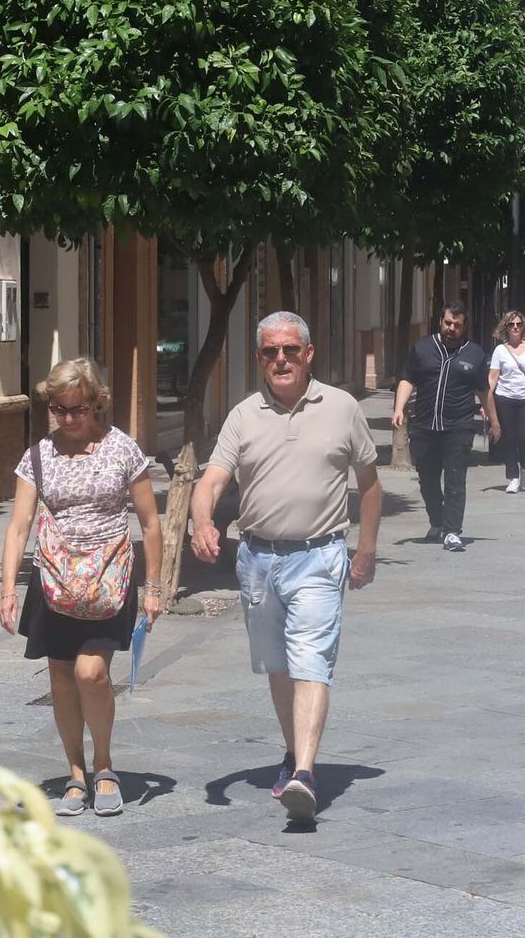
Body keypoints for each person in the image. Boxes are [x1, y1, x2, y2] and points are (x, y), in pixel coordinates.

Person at [190, 311, 382, 823]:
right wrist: (202, 522)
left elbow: (370, 484)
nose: (281, 359)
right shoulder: (243, 415)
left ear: (308, 354)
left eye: (290, 350)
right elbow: (210, 480)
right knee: (278, 665)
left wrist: (365, 550)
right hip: (257, 559)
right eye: (270, 351)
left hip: (320, 556)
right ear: (259, 358)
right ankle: (294, 753)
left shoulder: (342, 408)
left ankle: (304, 773)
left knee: (312, 661)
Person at [0, 359, 164, 818]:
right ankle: (75, 773)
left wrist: (154, 587)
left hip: (109, 577)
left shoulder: (122, 450)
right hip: (53, 582)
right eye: (58, 409)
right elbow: (18, 527)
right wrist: (8, 589)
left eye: (77, 409)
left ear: (96, 404)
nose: (68, 419)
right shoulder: (37, 457)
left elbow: (151, 524)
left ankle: (104, 764)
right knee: (61, 677)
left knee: (91, 673)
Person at [393, 303, 490, 551]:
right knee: (427, 480)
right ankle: (437, 522)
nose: (451, 328)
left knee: (455, 479)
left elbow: (483, 391)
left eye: (457, 325)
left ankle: (452, 531)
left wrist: (495, 421)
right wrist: (398, 409)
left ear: (463, 327)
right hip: (424, 426)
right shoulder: (422, 348)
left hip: (459, 426)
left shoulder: (474, 354)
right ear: (440, 322)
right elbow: (407, 379)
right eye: (448, 323)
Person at [486, 310, 525, 494]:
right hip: (504, 398)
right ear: (505, 328)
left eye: (518, 324)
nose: (515, 327)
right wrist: (486, 401)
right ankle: (513, 477)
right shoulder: (500, 350)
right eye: (511, 324)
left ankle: (524, 468)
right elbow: (493, 377)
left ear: (523, 327)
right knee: (509, 439)